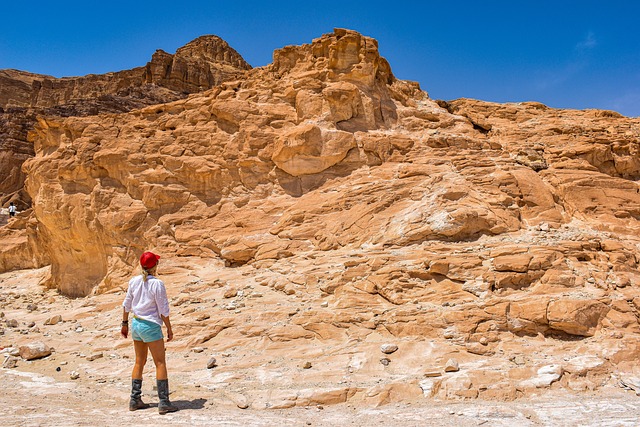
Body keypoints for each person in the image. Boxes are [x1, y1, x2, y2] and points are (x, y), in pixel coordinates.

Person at [121, 251, 179, 414]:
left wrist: (124, 323)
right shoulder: (157, 284)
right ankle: (164, 402)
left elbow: (126, 304)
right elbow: (163, 309)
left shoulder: (134, 281)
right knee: (160, 362)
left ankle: (135, 399)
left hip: (136, 324)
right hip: (151, 326)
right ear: (155, 265)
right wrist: (169, 327)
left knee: (139, 362)